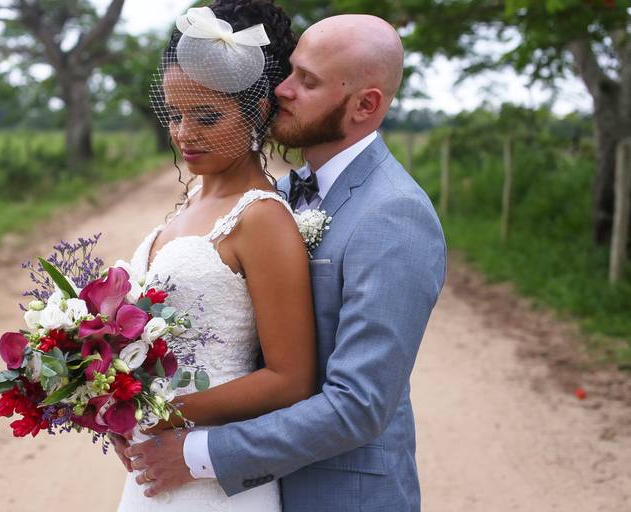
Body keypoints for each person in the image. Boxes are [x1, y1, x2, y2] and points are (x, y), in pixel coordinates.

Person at [123, 11, 448, 512]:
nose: (281, 89)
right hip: (260, 486)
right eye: (291, 70)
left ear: (366, 105)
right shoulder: (281, 193)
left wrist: (191, 448)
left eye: (307, 82)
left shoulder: (394, 213)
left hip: (340, 497)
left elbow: (359, 405)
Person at [110, 1, 316, 511]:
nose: (184, 132)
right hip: (153, 470)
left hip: (214, 478)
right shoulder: (190, 204)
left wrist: (161, 413)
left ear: (257, 112)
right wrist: (112, 403)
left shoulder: (261, 217)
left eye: (206, 116)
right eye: (175, 114)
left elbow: (291, 380)